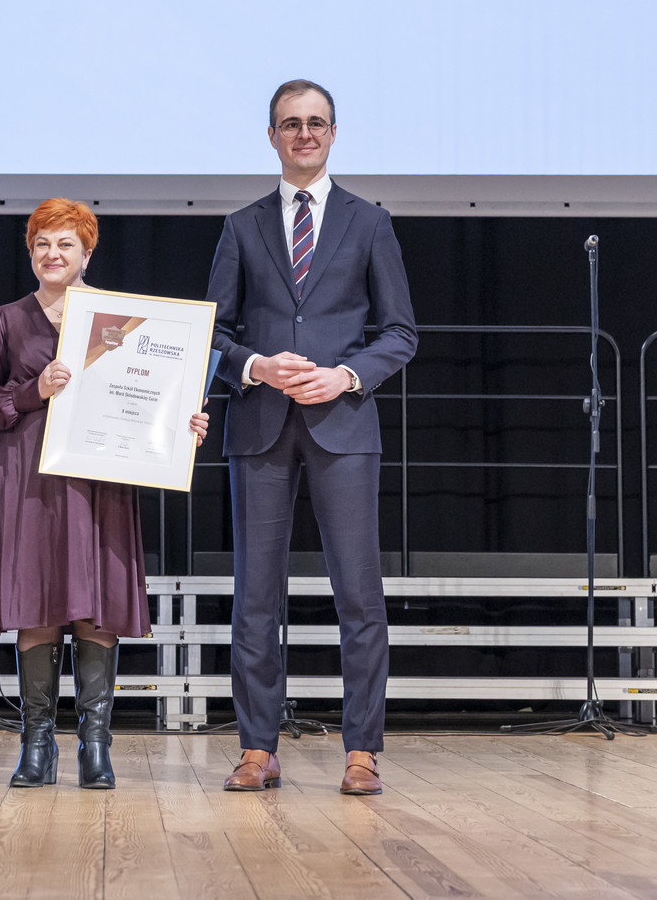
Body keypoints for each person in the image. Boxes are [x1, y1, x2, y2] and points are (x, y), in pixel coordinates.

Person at [206, 80, 417, 796]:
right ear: (272, 136)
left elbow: (400, 333)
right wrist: (256, 366)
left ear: (333, 133)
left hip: (343, 427)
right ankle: (257, 748)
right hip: (259, 427)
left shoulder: (370, 223)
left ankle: (362, 751)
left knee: (359, 595)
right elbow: (213, 332)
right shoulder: (241, 226)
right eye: (291, 124)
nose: (304, 134)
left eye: (316, 123)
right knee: (254, 597)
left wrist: (346, 376)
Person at [0, 199, 208, 789]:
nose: (53, 254)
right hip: (30, 479)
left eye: (65, 244)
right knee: (37, 603)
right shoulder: (7, 319)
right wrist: (31, 391)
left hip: (101, 480)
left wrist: (182, 426)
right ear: (30, 252)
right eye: (42, 243)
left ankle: (95, 745)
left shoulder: (122, 321)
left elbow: (156, 392)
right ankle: (37, 745)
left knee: (95, 606)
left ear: (87, 254)